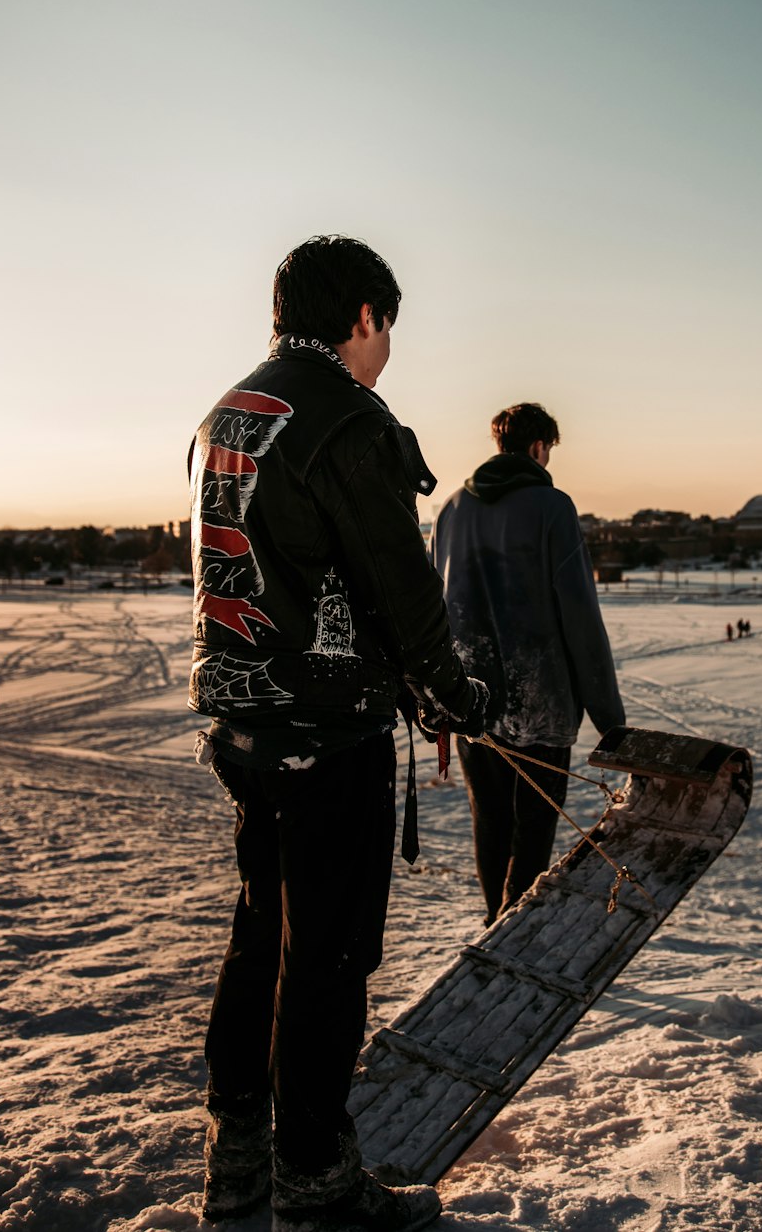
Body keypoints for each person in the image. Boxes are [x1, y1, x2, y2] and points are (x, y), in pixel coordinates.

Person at [188, 235, 486, 1232]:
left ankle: (236, 1156)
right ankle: (313, 1177)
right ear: (364, 318)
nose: (388, 347)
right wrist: (451, 693)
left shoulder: (228, 411)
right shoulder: (349, 419)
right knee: (327, 955)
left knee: (262, 931)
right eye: (387, 325)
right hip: (324, 729)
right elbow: (403, 592)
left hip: (243, 725)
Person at [431, 402, 625, 926]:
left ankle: (496, 920)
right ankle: (512, 929)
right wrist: (611, 720)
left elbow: (434, 612)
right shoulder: (552, 506)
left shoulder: (450, 510)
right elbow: (581, 619)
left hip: (471, 702)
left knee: (489, 822)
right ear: (540, 448)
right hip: (540, 704)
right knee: (533, 829)